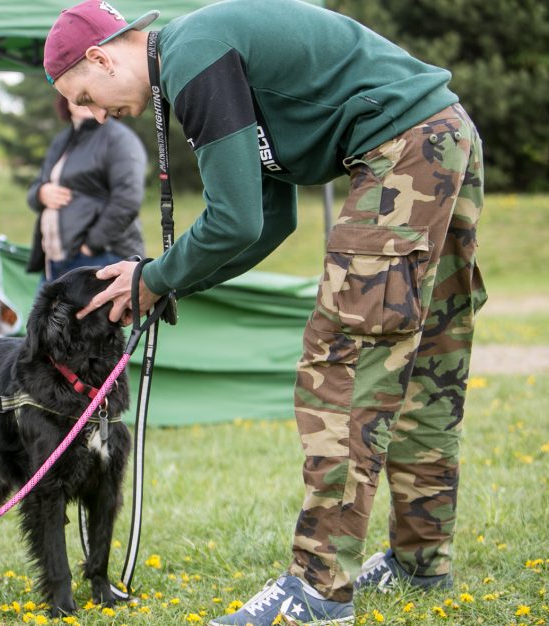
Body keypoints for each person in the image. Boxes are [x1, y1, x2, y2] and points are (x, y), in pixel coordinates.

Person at [43, 1, 486, 624]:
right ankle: (421, 560)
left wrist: (153, 278)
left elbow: (235, 220)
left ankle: (318, 590)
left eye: (84, 94)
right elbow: (272, 219)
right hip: (445, 134)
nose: (91, 113)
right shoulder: (201, 53)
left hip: (402, 150)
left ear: (100, 57)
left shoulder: (192, 55)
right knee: (427, 370)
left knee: (344, 368)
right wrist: (166, 285)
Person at [26, 93, 146, 283]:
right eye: (78, 95)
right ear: (65, 99)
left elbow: (127, 201)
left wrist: (90, 246)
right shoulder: (60, 141)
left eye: (91, 95)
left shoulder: (119, 139)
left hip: (101, 259)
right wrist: (40, 194)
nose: (84, 102)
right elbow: (33, 190)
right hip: (55, 262)